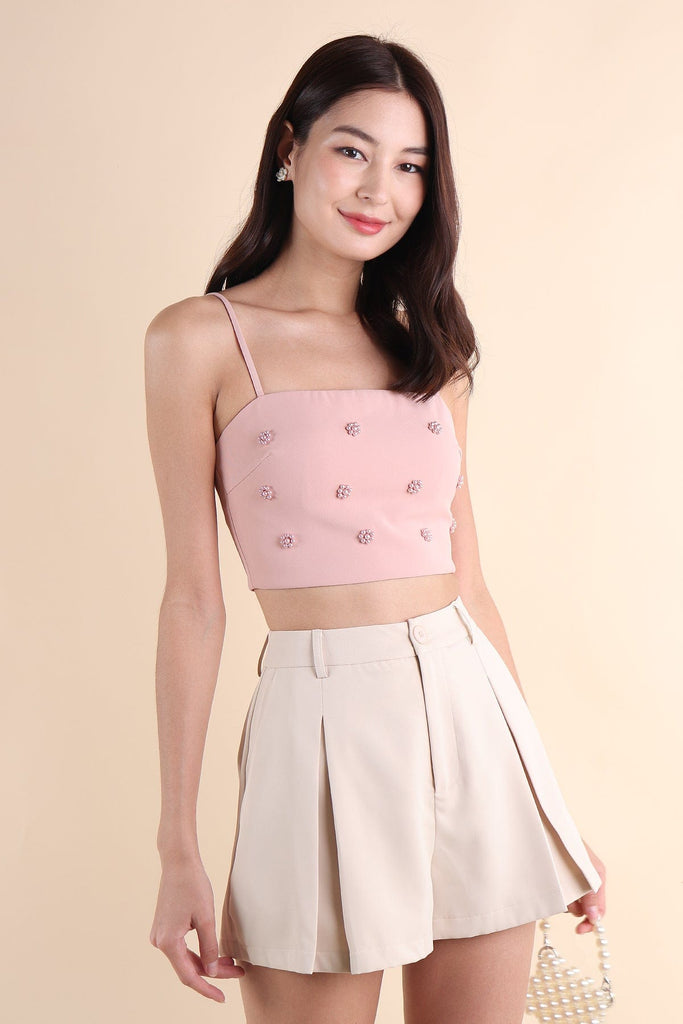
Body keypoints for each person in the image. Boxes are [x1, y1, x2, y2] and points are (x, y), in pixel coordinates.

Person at [144, 33, 607, 1024]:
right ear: (289, 148)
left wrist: (546, 802)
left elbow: (470, 585)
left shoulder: (431, 349)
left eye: (409, 166)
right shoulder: (198, 338)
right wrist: (177, 844)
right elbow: (192, 601)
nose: (376, 190)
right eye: (352, 150)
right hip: (314, 728)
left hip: (471, 719)